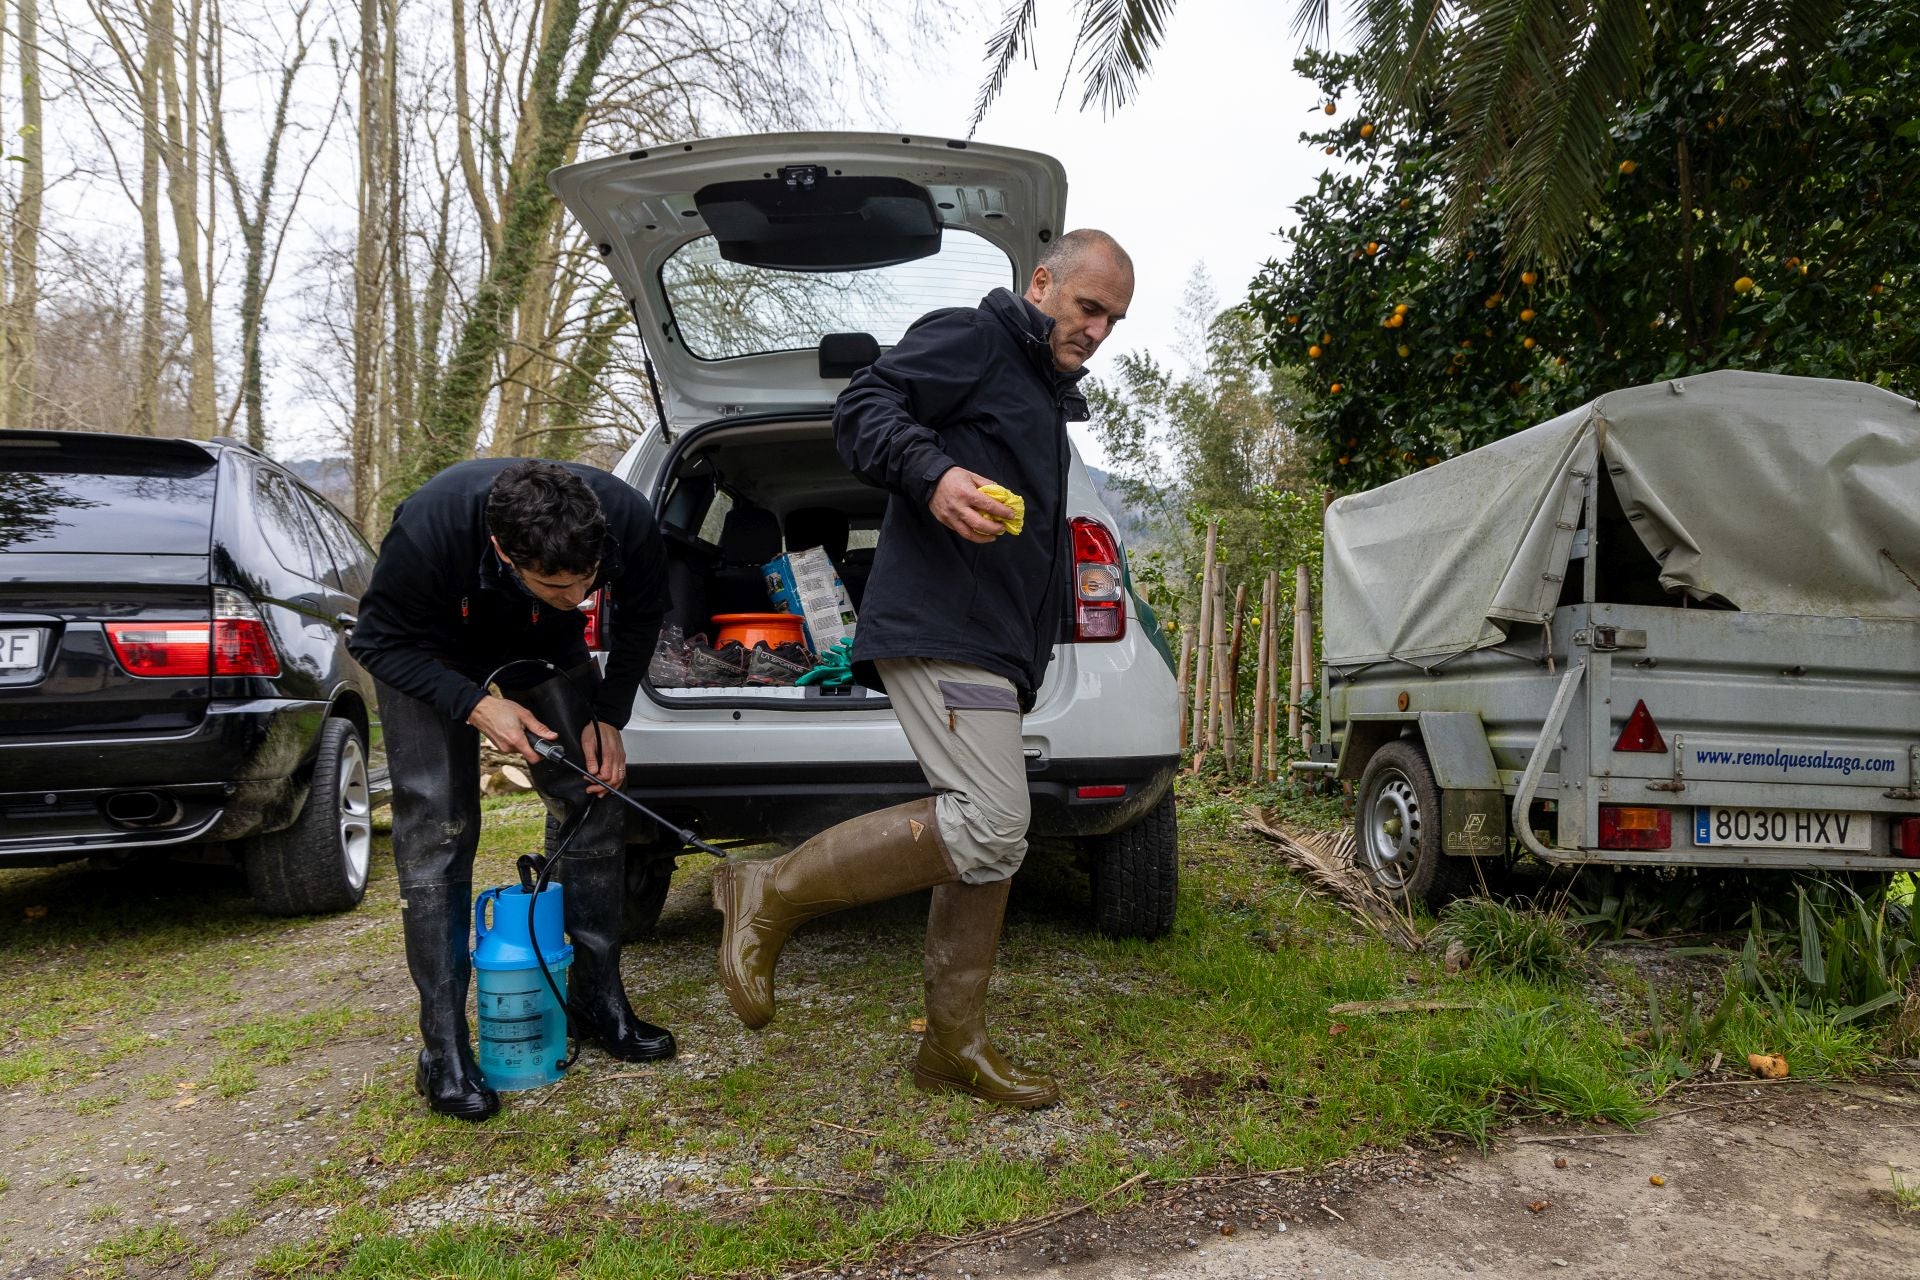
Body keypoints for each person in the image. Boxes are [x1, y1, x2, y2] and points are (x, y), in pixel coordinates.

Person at [711, 229, 1135, 1108]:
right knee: (989, 824)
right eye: (1088, 307)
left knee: (992, 841)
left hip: (993, 640)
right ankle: (770, 890)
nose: (1098, 330)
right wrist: (936, 474)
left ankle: (952, 1046)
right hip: (946, 622)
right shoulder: (977, 338)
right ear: (1042, 282)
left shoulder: (1040, 393)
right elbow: (864, 408)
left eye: (1114, 320)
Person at [351, 458, 673, 1121]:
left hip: (541, 644)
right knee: (441, 827)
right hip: (427, 651)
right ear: (503, 551)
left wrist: (608, 716)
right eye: (559, 583)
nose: (581, 596)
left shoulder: (626, 521)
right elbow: (377, 644)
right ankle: (443, 1050)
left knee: (593, 793)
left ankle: (593, 997)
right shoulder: (432, 529)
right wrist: (475, 704)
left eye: (589, 579)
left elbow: (641, 619)